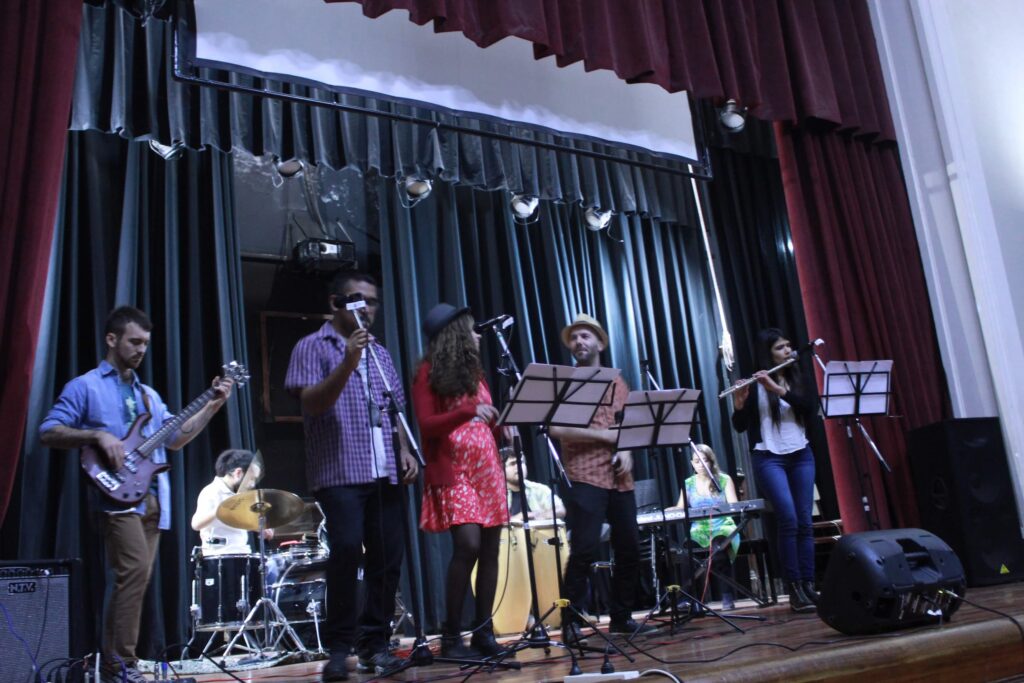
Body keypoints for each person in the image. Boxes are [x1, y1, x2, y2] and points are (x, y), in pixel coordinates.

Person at [39, 306, 234, 683]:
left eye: (145, 343)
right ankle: (121, 665)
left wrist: (214, 404)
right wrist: (96, 434)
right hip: (114, 498)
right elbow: (49, 431)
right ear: (112, 340)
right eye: (134, 341)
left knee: (138, 579)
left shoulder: (148, 395)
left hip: (151, 499)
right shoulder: (86, 386)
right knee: (131, 573)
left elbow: (176, 439)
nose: (141, 349)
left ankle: (113, 664)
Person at [285, 272, 419, 682]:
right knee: (345, 552)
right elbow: (312, 403)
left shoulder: (380, 352)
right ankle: (339, 648)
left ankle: (375, 645)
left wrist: (404, 449)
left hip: (385, 470)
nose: (367, 309)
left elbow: (393, 409)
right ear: (336, 303)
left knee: (387, 559)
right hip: (340, 470)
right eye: (358, 300)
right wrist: (348, 360)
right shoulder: (312, 346)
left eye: (373, 302)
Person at [550, 313, 656, 641]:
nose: (579, 342)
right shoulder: (568, 382)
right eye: (575, 337)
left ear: (599, 343)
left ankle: (621, 617)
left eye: (585, 336)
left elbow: (627, 425)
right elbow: (555, 428)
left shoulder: (616, 382)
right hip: (585, 474)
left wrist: (626, 450)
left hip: (618, 478)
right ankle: (571, 621)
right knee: (583, 548)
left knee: (628, 547)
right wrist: (605, 438)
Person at [412, 303, 509, 658]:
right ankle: (452, 635)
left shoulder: (476, 375)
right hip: (454, 469)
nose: (478, 334)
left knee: (490, 548)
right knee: (468, 544)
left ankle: (484, 633)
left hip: (487, 469)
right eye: (471, 329)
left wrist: (502, 425)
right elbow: (425, 426)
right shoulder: (427, 372)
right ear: (455, 336)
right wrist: (468, 411)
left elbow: (486, 418)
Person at [730, 327, 819, 613]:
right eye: (781, 348)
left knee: (805, 521)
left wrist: (778, 390)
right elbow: (740, 426)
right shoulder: (756, 383)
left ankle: (808, 583)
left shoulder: (796, 378)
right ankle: (793, 587)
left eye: (789, 346)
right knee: (789, 519)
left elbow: (809, 408)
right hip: (769, 457)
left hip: (801, 454)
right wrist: (739, 405)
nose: (788, 351)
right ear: (768, 353)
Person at [675, 444, 740, 610]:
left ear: (711, 462)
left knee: (719, 547)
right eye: (697, 461)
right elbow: (679, 507)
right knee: (685, 552)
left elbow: (734, 506)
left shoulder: (724, 479)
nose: (701, 464)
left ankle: (727, 595)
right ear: (692, 463)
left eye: (704, 460)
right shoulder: (688, 483)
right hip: (699, 530)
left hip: (722, 526)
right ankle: (687, 598)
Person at [191, 449, 269, 556]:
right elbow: (196, 524)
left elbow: (238, 521)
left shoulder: (241, 494)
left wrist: (261, 528)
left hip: (242, 552)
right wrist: (223, 507)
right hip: (218, 555)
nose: (252, 484)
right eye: (251, 479)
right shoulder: (211, 491)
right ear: (238, 473)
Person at [503, 448, 565, 521]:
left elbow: (561, 509)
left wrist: (537, 515)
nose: (519, 466)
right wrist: (515, 519)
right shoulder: (496, 495)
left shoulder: (539, 489)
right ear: (501, 469)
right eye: (513, 463)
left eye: (521, 462)